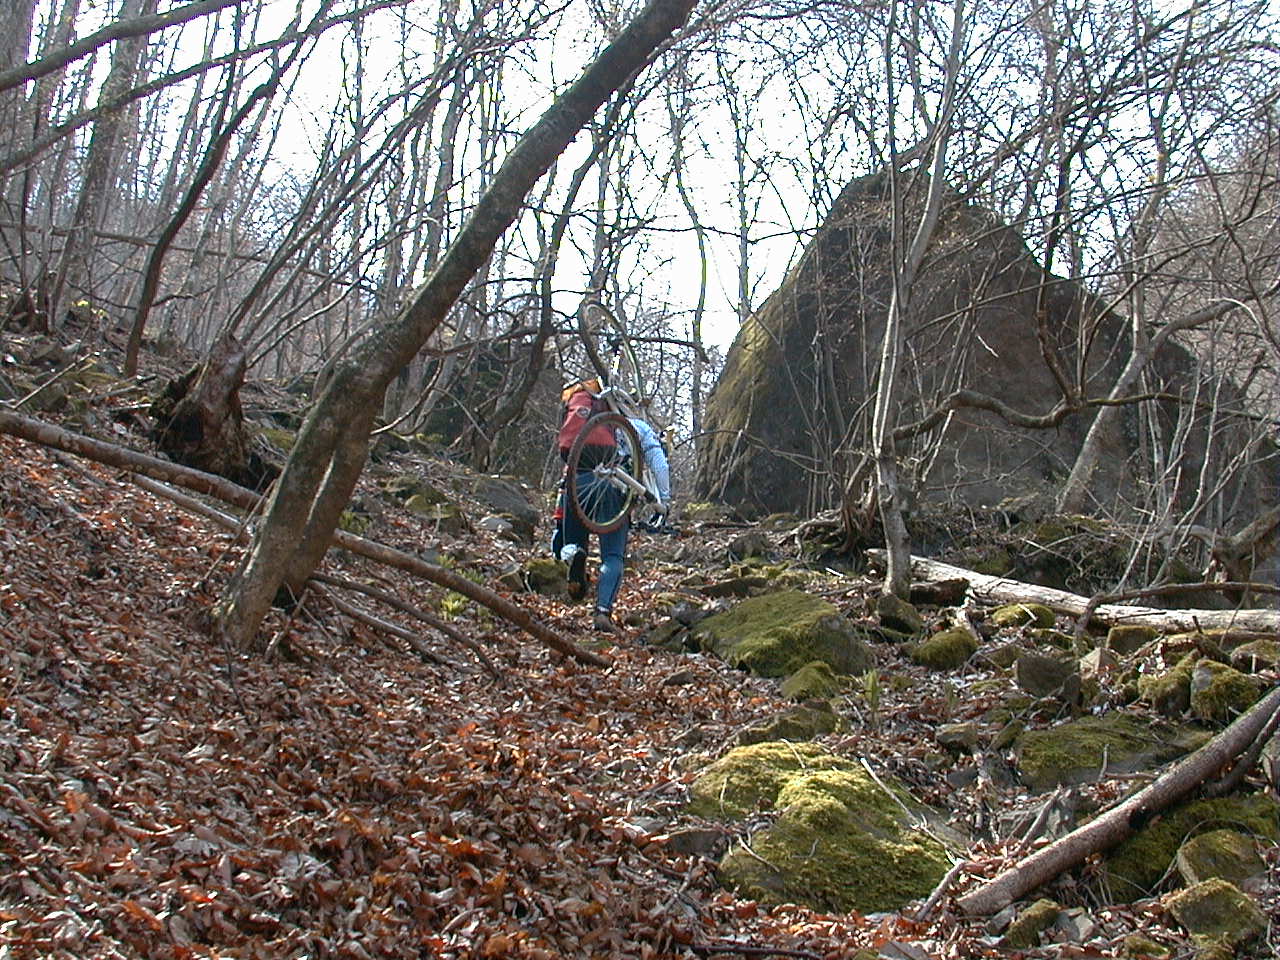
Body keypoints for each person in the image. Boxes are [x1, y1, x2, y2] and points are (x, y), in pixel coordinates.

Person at [553, 383, 671, 634]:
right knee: (613, 556)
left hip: (576, 483)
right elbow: (659, 465)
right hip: (612, 491)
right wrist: (665, 502)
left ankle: (575, 558)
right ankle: (603, 612)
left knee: (571, 543)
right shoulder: (637, 428)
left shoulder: (587, 422)